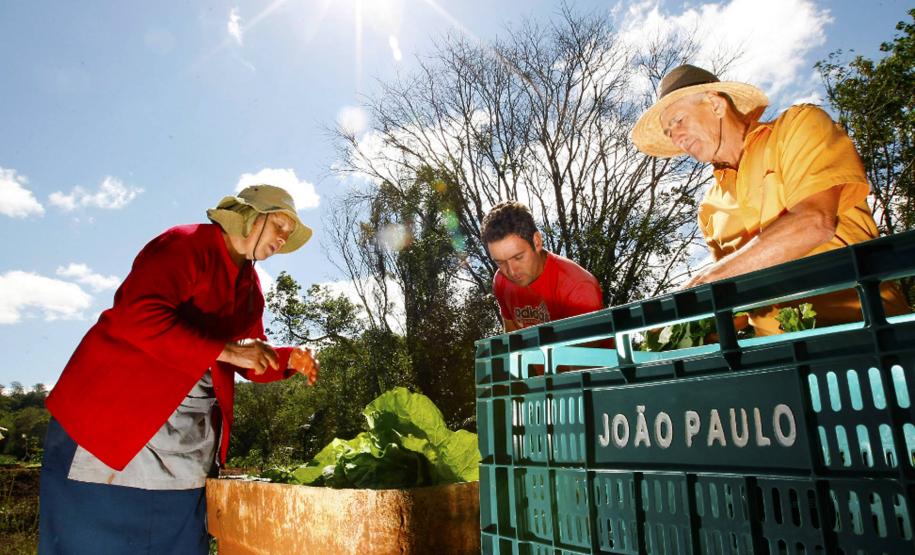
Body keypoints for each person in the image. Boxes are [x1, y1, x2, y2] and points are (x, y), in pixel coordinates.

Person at [39, 184, 319, 554]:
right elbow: (136, 315)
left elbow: (249, 359)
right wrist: (227, 350)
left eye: (289, 233)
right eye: (280, 225)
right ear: (251, 215)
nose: (284, 238)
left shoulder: (250, 287)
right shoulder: (185, 244)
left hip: (185, 454)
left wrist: (287, 359)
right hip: (112, 432)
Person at [631, 64, 909, 335]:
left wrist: (706, 282)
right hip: (780, 361)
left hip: (870, 333)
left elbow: (815, 222)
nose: (676, 137)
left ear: (715, 104)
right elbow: (736, 301)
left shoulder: (797, 127)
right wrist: (680, 329)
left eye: (678, 121)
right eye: (669, 133)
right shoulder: (709, 208)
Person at [482, 201, 603, 332]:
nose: (511, 271)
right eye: (500, 262)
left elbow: (586, 351)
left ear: (537, 241)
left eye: (518, 257)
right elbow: (512, 339)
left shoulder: (577, 286)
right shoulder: (501, 281)